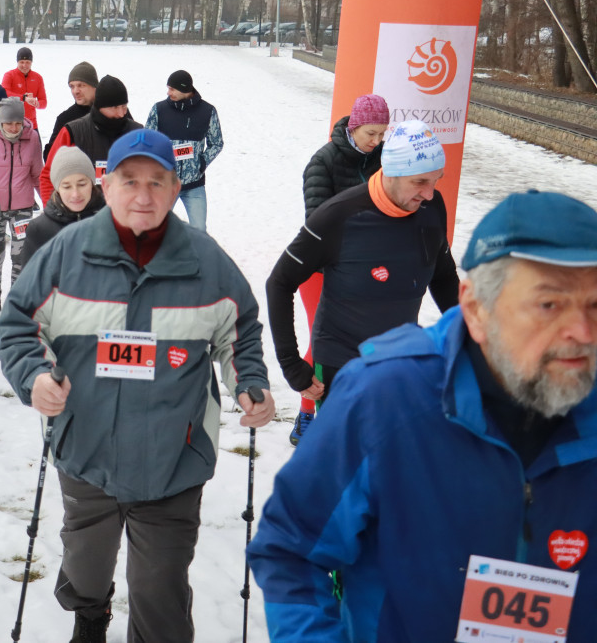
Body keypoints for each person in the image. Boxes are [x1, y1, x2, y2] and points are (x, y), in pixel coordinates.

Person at [248, 189, 597, 642]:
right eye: (549, 305)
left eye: (595, 305)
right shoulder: (384, 398)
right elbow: (292, 548)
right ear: (476, 309)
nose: (581, 332)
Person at [0, 128, 276, 643]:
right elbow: (17, 326)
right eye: (129, 181)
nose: (143, 195)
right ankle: (90, 615)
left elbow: (239, 331)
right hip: (86, 450)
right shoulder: (66, 253)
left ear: (175, 188)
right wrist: (34, 376)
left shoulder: (207, 261)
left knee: (160, 592)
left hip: (174, 459)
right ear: (107, 186)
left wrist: (249, 382)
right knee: (86, 566)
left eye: (156, 182)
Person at [265, 119, 459, 445]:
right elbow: (280, 282)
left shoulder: (432, 206)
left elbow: (442, 275)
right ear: (391, 172)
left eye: (435, 181)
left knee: (392, 461)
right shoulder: (339, 215)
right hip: (342, 367)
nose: (429, 193)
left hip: (400, 363)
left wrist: (470, 335)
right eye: (420, 182)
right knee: (346, 462)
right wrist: (291, 365)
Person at [291, 94, 391, 442]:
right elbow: (318, 223)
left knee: (365, 343)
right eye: (371, 133)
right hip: (321, 270)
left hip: (367, 269)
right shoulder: (323, 162)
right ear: (354, 127)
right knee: (322, 343)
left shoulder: (385, 159)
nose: (377, 141)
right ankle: (306, 415)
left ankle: (352, 413)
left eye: (382, 134)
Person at [0, 97, 43, 312]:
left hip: (23, 207)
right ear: (0, 121)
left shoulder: (32, 138)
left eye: (18, 123)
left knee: (20, 255)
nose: (14, 128)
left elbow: (38, 174)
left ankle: (16, 296)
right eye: (9, 123)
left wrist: (49, 201)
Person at [40, 75, 142, 205]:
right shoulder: (73, 132)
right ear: (100, 107)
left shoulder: (137, 133)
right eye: (115, 108)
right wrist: (52, 211)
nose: (121, 113)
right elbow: (49, 174)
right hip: (84, 212)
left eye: (124, 106)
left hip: (128, 211)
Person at [144, 70, 223, 232]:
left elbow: (217, 143)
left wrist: (202, 162)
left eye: (172, 89)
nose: (168, 93)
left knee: (199, 230)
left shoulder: (207, 111)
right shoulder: (159, 109)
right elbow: (147, 142)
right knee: (156, 229)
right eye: (168, 88)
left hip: (194, 186)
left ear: (185, 89)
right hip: (165, 185)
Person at [21, 145, 104, 265]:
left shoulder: (110, 221)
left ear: (92, 183)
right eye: (67, 187)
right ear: (57, 188)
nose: (75, 194)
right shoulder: (39, 229)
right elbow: (29, 276)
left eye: (82, 184)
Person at [44, 61, 99, 159]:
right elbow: (50, 157)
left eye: (81, 85)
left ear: (94, 86)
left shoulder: (112, 111)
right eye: (72, 86)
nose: (75, 91)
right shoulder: (65, 119)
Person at [1, 47, 47, 128]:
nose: (24, 65)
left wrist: (37, 103)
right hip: (12, 124)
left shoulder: (38, 77)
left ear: (31, 62)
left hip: (31, 124)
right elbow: (4, 93)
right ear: (17, 62)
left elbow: (44, 102)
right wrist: (23, 98)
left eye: (27, 62)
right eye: (21, 62)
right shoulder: (9, 75)